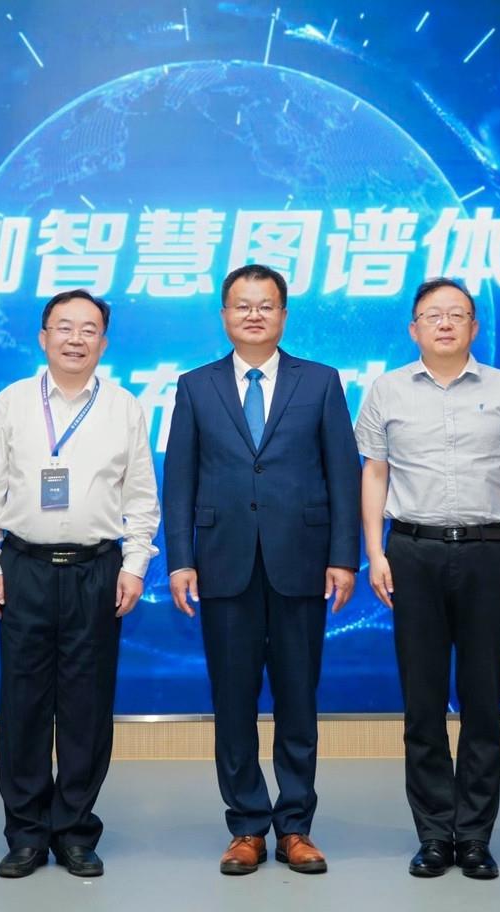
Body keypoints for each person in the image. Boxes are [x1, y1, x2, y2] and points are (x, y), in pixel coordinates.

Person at [162, 264, 360, 875]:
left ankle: (295, 825)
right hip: (223, 564)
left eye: (265, 305)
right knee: (233, 701)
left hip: (301, 562)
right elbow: (179, 480)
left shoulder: (320, 382)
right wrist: (180, 559)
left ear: (283, 314)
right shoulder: (195, 386)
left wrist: (343, 556)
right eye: (242, 305)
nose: (254, 314)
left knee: (298, 700)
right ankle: (246, 825)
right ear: (224, 315)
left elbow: (344, 474)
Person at [0, 289, 161, 879]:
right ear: (43, 337)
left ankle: (74, 830)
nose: (76, 339)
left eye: (89, 329)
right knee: (23, 705)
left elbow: (141, 495)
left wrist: (134, 565)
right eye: (64, 327)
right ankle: (25, 833)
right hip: (23, 568)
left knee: (87, 707)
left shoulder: (123, 406)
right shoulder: (12, 402)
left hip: (96, 570)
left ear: (104, 342)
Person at [356, 278, 500, 880]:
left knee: (483, 702)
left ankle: (476, 837)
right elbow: (374, 474)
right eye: (432, 315)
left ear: (474, 327)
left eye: (456, 314)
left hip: (490, 552)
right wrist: (374, 552)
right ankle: (435, 835)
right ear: (413, 328)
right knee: (423, 702)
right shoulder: (386, 389)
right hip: (412, 552)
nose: (444, 324)